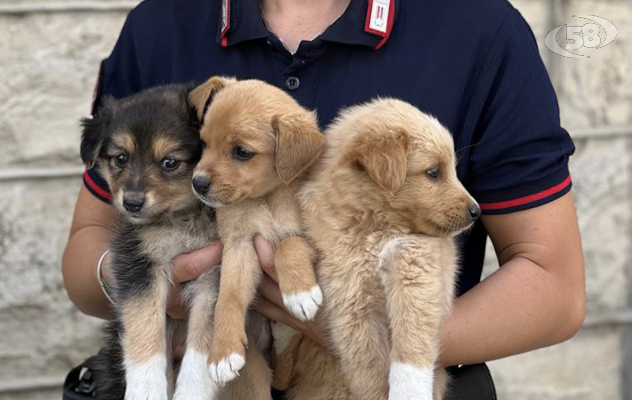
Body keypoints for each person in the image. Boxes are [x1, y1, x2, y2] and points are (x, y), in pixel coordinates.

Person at [62, 0, 585, 397]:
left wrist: (358, 332)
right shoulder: (161, 22)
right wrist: (148, 286)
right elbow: (87, 250)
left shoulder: (480, 29)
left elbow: (554, 288)